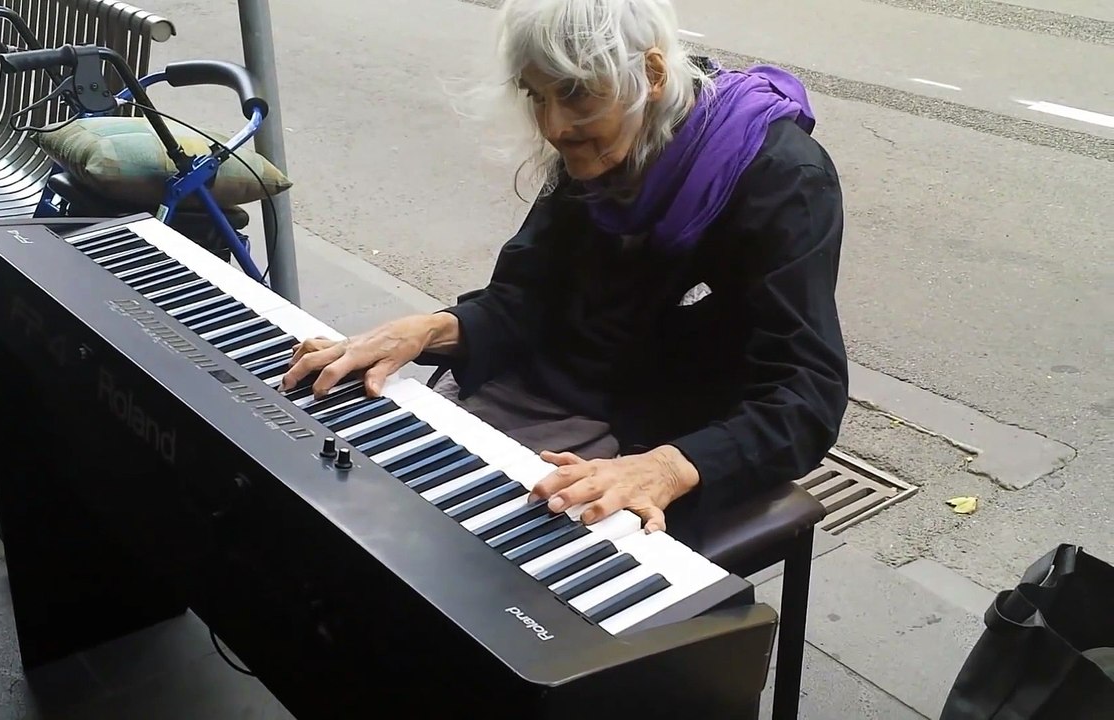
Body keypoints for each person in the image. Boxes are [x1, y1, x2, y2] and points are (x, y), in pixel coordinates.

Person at [281, 0, 849, 543]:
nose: (554, 126)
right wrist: (426, 330)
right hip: (539, 393)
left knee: (440, 548)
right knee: (339, 492)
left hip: (653, 430)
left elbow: (805, 396)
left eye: (575, 93)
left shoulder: (783, 180)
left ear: (651, 75)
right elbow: (524, 299)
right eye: (538, 96)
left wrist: (666, 468)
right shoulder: (604, 137)